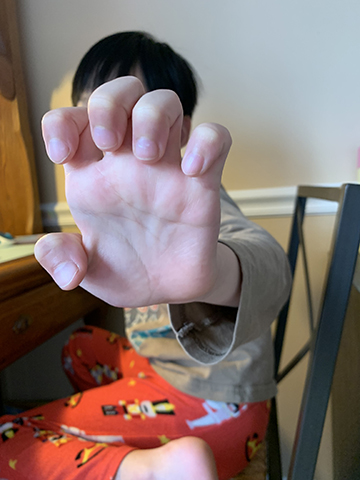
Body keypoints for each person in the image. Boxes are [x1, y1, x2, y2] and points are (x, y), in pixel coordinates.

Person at [0, 32, 291, 480]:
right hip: (165, 375)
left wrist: (211, 273)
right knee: (78, 349)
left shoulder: (196, 212)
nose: (106, 135)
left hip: (220, 410)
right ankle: (134, 443)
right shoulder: (114, 209)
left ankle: (155, 470)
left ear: (182, 129)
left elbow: (267, 264)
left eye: (129, 120)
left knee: (8, 439)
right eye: (90, 110)